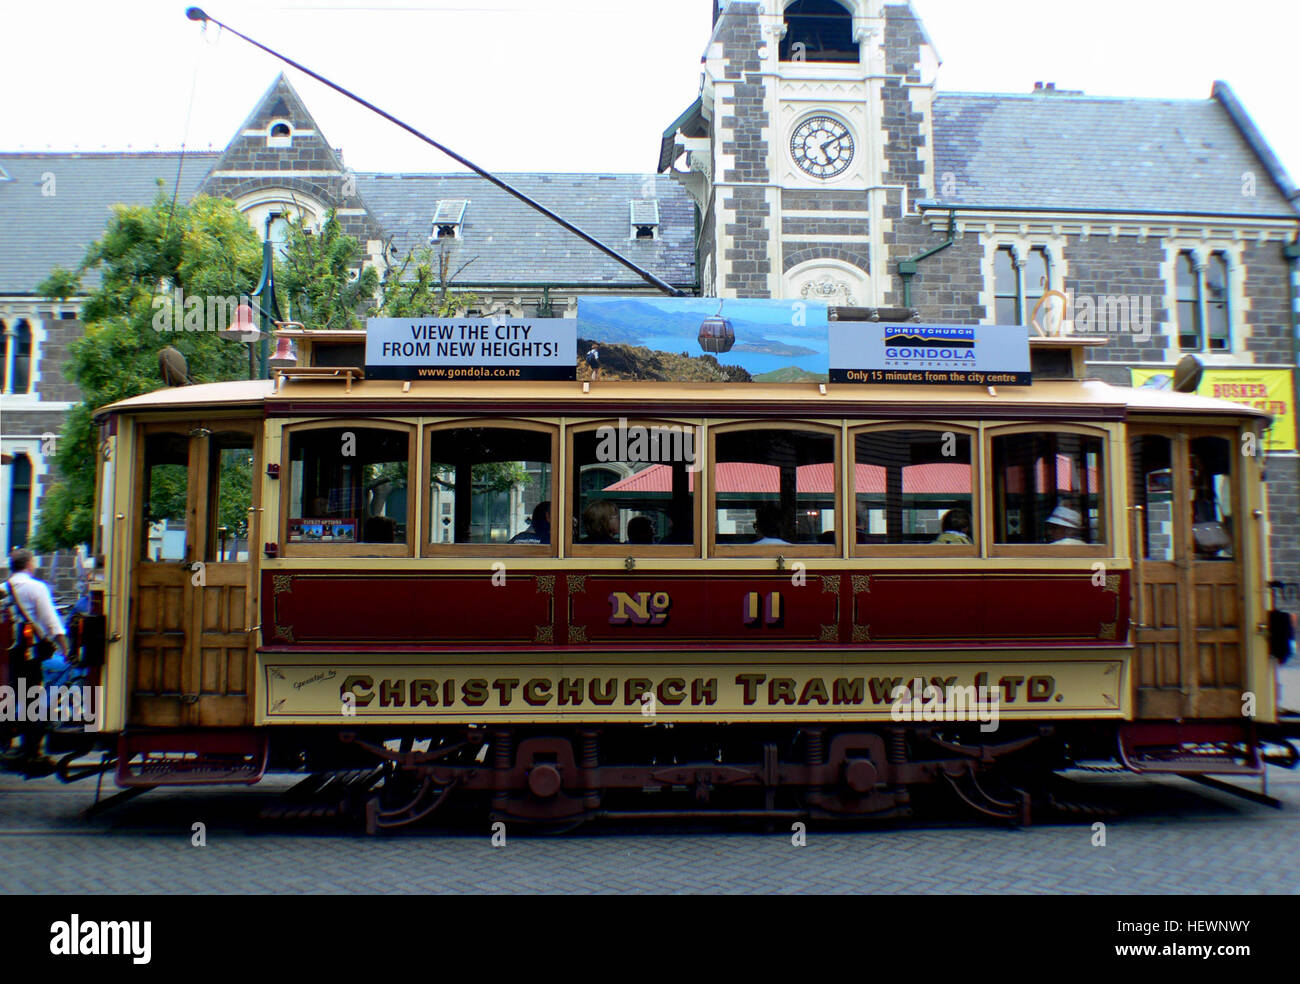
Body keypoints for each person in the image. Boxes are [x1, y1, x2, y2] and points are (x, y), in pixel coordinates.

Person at [2, 549, 69, 772]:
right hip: (29, 652)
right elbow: (51, 621)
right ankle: (31, 751)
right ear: (29, 564)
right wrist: (65, 647)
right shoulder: (36, 587)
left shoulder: (4, 588)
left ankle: (12, 744)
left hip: (10, 652)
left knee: (14, 695)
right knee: (33, 697)